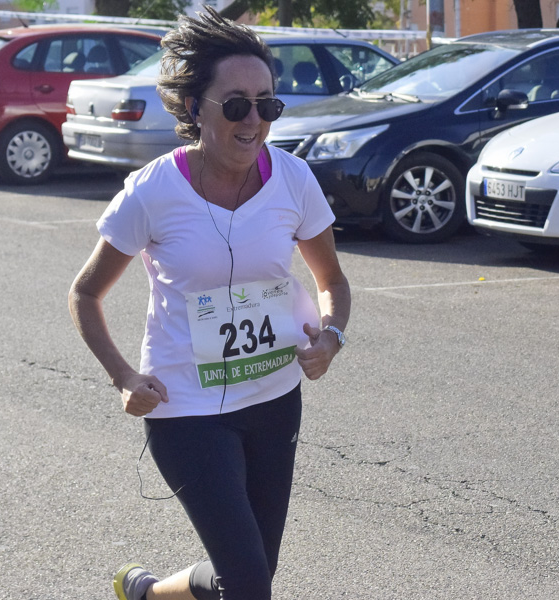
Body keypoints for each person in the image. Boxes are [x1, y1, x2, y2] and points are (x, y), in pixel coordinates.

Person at [67, 7, 350, 600]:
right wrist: (123, 377)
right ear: (196, 108)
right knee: (250, 587)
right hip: (185, 409)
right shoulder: (153, 191)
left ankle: (144, 592)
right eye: (236, 104)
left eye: (267, 104)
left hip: (274, 399)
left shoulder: (294, 179)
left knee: (244, 578)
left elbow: (333, 281)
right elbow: (86, 293)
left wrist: (331, 336)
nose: (255, 120)